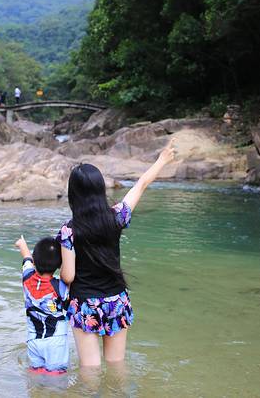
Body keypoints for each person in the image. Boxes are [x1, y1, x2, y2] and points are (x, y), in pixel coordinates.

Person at [56, 139, 176, 367]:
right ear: (100, 189)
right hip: (116, 300)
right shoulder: (117, 217)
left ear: (74, 194)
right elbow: (141, 185)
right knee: (116, 365)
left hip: (85, 304)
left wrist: (60, 271)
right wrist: (162, 160)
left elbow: (68, 276)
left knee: (90, 369)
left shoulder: (68, 230)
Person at [16, 235, 70, 374]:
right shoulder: (60, 286)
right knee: (56, 376)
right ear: (59, 265)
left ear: (34, 261)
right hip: (55, 341)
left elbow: (26, 258)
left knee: (36, 373)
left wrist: (22, 244)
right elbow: (69, 304)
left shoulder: (27, 277)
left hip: (33, 340)